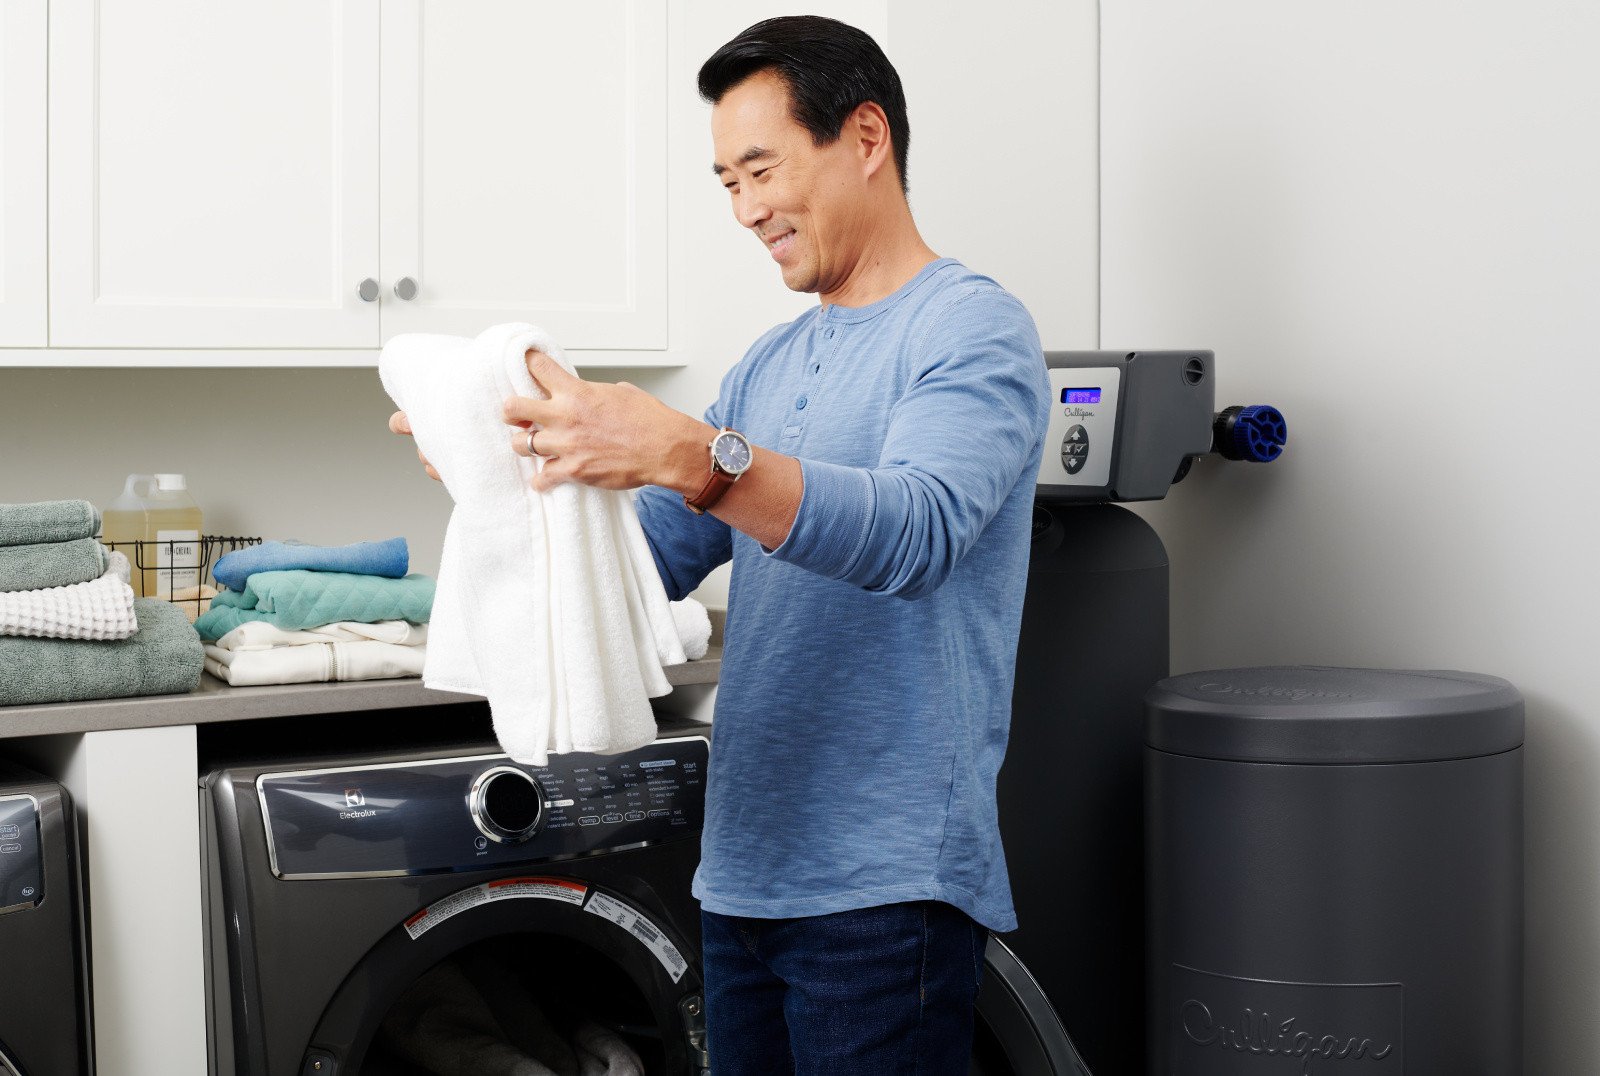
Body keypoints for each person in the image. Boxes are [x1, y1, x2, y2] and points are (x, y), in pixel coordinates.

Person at [390, 15, 1049, 1074]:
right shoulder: (770, 364)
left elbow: (915, 528)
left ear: (865, 136)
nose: (745, 210)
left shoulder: (971, 328)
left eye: (761, 170)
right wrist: (514, 475)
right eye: (725, 182)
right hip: (742, 873)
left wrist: (691, 453)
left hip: (886, 887)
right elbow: (634, 566)